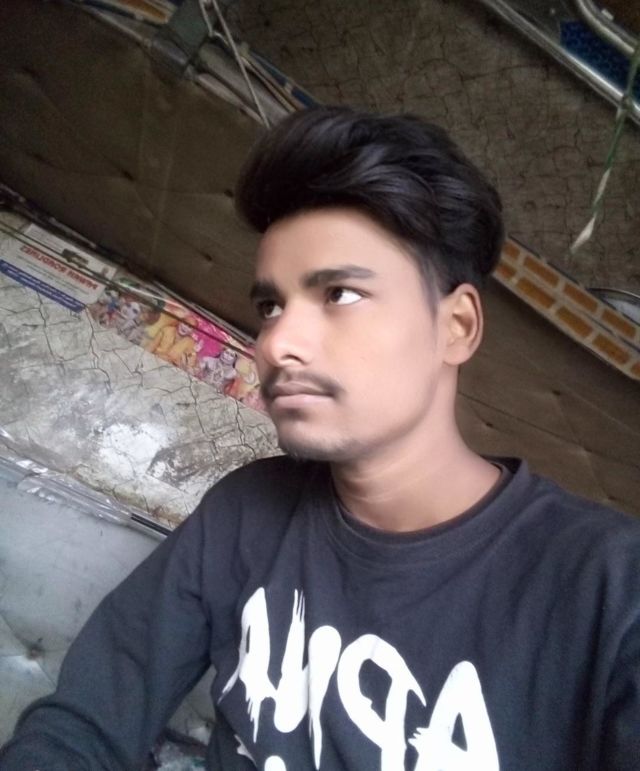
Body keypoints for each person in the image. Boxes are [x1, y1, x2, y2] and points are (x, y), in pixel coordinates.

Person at [1, 107, 639, 771]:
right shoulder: (245, 514)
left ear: (456, 327)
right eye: (270, 306)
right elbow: (84, 724)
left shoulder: (609, 592)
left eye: (340, 293)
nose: (277, 342)